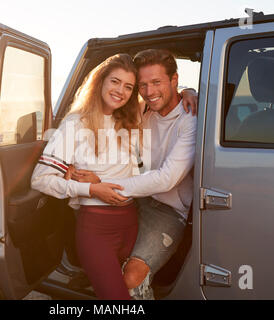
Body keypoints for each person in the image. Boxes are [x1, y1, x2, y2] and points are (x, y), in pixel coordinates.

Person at [71, 49, 197, 300]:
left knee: (130, 279)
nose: (149, 92)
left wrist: (104, 184)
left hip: (168, 211)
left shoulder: (190, 118)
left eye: (157, 82)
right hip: (137, 200)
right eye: (143, 85)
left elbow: (166, 179)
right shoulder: (144, 110)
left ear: (174, 80)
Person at [31, 53, 142, 299]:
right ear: (100, 80)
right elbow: (40, 179)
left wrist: (190, 94)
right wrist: (91, 190)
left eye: (128, 87)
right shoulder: (75, 124)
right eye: (115, 81)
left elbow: (164, 96)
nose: (120, 91)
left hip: (132, 224)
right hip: (96, 230)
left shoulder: (129, 119)